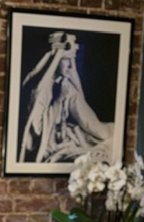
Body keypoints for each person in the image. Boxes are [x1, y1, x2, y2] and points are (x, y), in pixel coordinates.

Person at [19, 31, 114, 164]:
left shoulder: (65, 83)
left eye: (72, 60)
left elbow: (80, 103)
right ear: (55, 60)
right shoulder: (41, 88)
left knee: (103, 133)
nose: (69, 65)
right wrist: (58, 100)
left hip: (71, 129)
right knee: (103, 134)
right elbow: (36, 129)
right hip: (51, 136)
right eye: (65, 60)